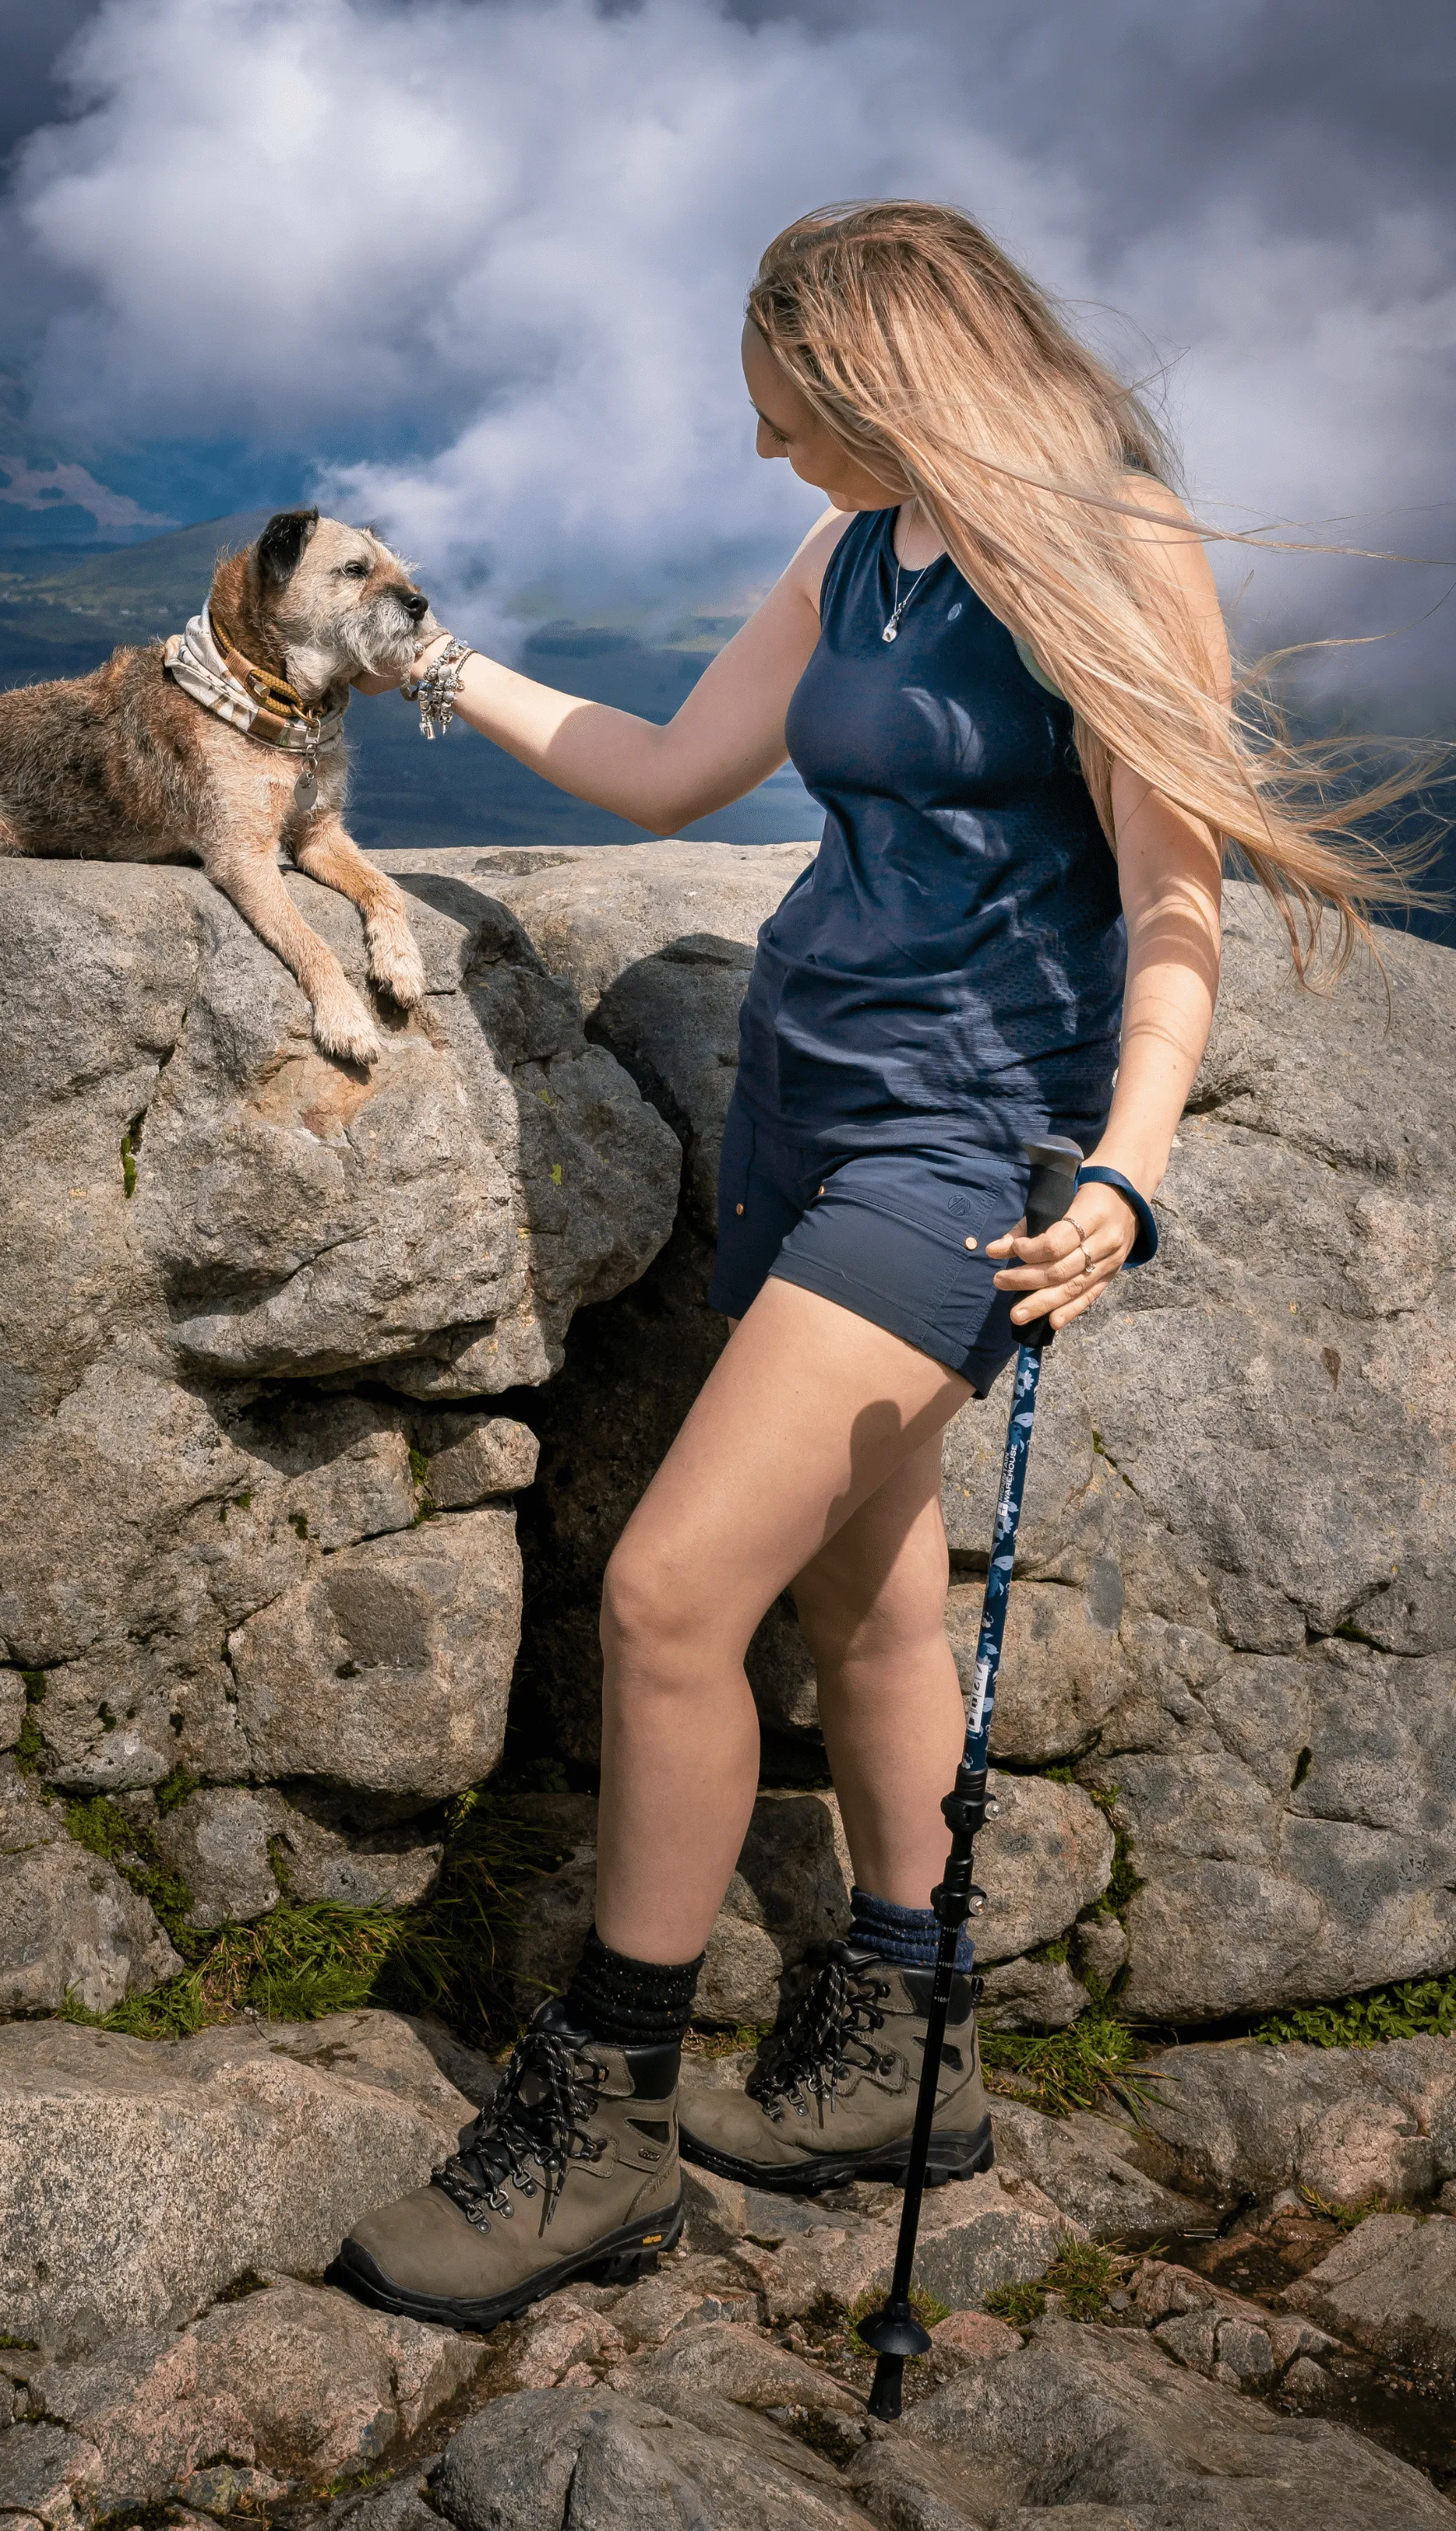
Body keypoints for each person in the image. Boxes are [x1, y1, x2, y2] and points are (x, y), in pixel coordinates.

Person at [330, 199, 1416, 2332]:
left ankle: (605, 2118)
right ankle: (905, 2053)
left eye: (781, 416)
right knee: (866, 1588)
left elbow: (1172, 894)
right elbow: (666, 779)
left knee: (665, 1593)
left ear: (877, 373)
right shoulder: (861, 548)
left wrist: (1126, 1167)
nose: (765, 458)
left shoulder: (1096, 549)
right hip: (804, 1107)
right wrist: (437, 673)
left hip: (959, 1155)